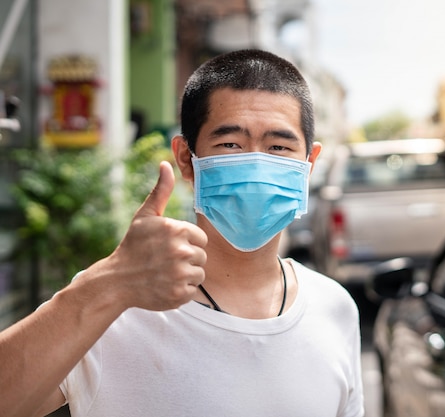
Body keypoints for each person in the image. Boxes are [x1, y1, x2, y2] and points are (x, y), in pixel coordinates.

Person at [0, 49, 364, 417]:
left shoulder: (335, 308)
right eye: (230, 144)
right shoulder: (113, 306)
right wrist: (107, 284)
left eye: (278, 147)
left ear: (309, 164)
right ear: (187, 160)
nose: (256, 163)